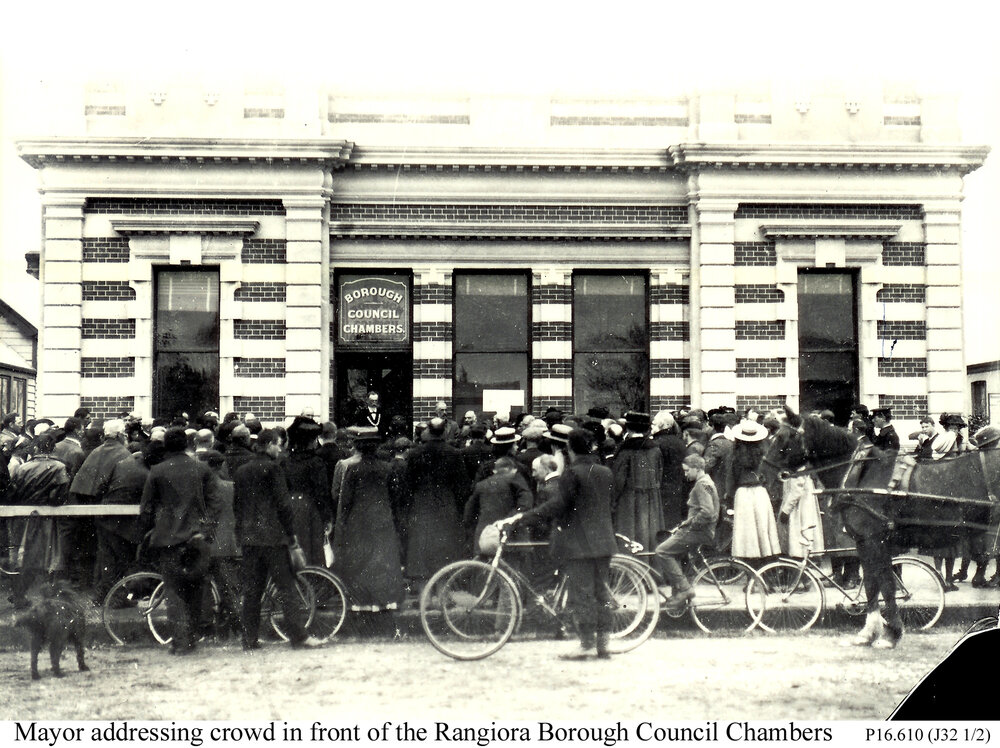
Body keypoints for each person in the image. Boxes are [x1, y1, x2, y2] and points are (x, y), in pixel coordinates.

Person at [514, 428, 618, 660]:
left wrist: (524, 517)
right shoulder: (604, 472)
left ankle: (587, 644)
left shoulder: (572, 473)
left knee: (582, 595)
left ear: (570, 449)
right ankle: (603, 645)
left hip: (579, 543)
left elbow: (560, 505)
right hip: (604, 541)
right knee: (602, 593)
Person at [232, 429, 323, 651]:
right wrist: (292, 538)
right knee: (287, 588)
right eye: (279, 444)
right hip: (273, 538)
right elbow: (283, 505)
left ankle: (249, 639)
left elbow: (237, 505)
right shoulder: (274, 469)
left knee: (252, 591)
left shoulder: (242, 471)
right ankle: (299, 637)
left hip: (250, 538)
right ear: (270, 444)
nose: (281, 449)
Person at [137, 427, 223, 654]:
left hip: (167, 539)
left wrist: (148, 532)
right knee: (196, 589)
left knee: (174, 591)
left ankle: (181, 641)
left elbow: (146, 508)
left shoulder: (157, 471)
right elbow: (216, 503)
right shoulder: (202, 469)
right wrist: (205, 531)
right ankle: (192, 638)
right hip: (196, 538)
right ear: (187, 443)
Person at [332, 427, 406, 633]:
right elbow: (395, 497)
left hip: (359, 521)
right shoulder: (387, 468)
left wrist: (343, 524)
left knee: (363, 562)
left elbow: (345, 501)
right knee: (383, 562)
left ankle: (363, 603)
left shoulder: (353, 470)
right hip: (382, 520)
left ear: (360, 448)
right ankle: (385, 602)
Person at [401, 418, 470, 587]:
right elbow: (462, 486)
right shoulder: (454, 453)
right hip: (446, 506)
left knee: (422, 550)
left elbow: (407, 484)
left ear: (429, 431)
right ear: (445, 431)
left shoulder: (415, 453)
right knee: (443, 551)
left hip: (421, 506)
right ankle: (441, 593)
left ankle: (425, 593)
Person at [6, 430, 70, 607]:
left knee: (24, 555)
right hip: (47, 519)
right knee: (48, 557)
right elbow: (60, 496)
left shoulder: (23, 467)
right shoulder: (59, 467)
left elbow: (14, 492)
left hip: (23, 517)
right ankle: (46, 598)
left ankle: (19, 594)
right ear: (52, 447)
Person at [654, 454, 720, 611]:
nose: (685, 474)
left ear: (697, 469)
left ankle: (684, 590)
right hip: (701, 530)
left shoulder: (701, 485)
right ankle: (677, 597)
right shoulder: (707, 482)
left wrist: (690, 525)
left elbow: (707, 512)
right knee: (675, 553)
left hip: (698, 531)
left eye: (687, 470)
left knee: (662, 551)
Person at [729, 419, 781, 565]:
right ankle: (766, 568)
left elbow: (731, 480)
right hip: (760, 493)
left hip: (743, 494)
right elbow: (771, 476)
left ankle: (751, 570)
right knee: (763, 531)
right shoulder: (764, 455)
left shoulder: (735, 456)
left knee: (747, 534)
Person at [611, 411, 664, 556]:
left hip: (629, 500)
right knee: (650, 534)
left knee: (630, 535)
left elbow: (618, 480)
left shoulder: (625, 450)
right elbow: (659, 473)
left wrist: (612, 501)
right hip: (652, 499)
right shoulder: (655, 448)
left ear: (628, 428)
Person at [284, 418, 330, 567]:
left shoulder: (285, 461)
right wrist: (327, 518)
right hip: (310, 509)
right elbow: (321, 493)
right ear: (311, 441)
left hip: (290, 508)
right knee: (312, 550)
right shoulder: (316, 463)